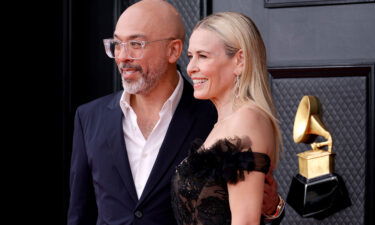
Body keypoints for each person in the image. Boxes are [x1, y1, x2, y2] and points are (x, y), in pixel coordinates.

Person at [67, 1, 284, 225]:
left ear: (173, 50)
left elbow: (249, 212)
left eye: (136, 43)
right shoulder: (90, 117)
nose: (122, 56)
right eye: (117, 44)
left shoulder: (215, 115)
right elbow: (80, 212)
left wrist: (273, 208)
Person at [171, 12, 283, 225]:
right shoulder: (225, 123)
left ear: (239, 60)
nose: (190, 67)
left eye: (202, 56)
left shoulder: (246, 120)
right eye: (190, 56)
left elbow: (246, 222)